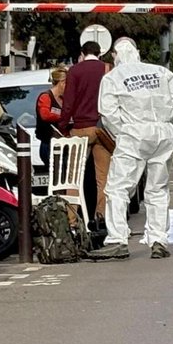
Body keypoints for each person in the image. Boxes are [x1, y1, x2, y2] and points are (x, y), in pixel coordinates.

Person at [88, 39, 173, 260]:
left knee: (118, 188)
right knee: (158, 188)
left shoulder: (112, 78)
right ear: (137, 52)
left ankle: (117, 239)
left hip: (133, 133)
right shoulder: (161, 72)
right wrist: (166, 122)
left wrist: (123, 133)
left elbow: (108, 112)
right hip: (163, 132)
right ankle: (159, 239)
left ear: (115, 55)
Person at [59, 39, 112, 222]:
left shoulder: (74, 71)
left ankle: (72, 218)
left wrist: (63, 126)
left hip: (80, 129)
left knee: (73, 176)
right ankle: (102, 215)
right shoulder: (107, 69)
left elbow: (68, 102)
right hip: (101, 128)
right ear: (100, 53)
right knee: (103, 177)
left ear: (83, 53)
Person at [35, 64, 67, 167]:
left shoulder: (64, 99)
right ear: (62, 83)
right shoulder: (45, 97)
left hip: (62, 142)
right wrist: (64, 116)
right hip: (48, 143)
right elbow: (45, 115)